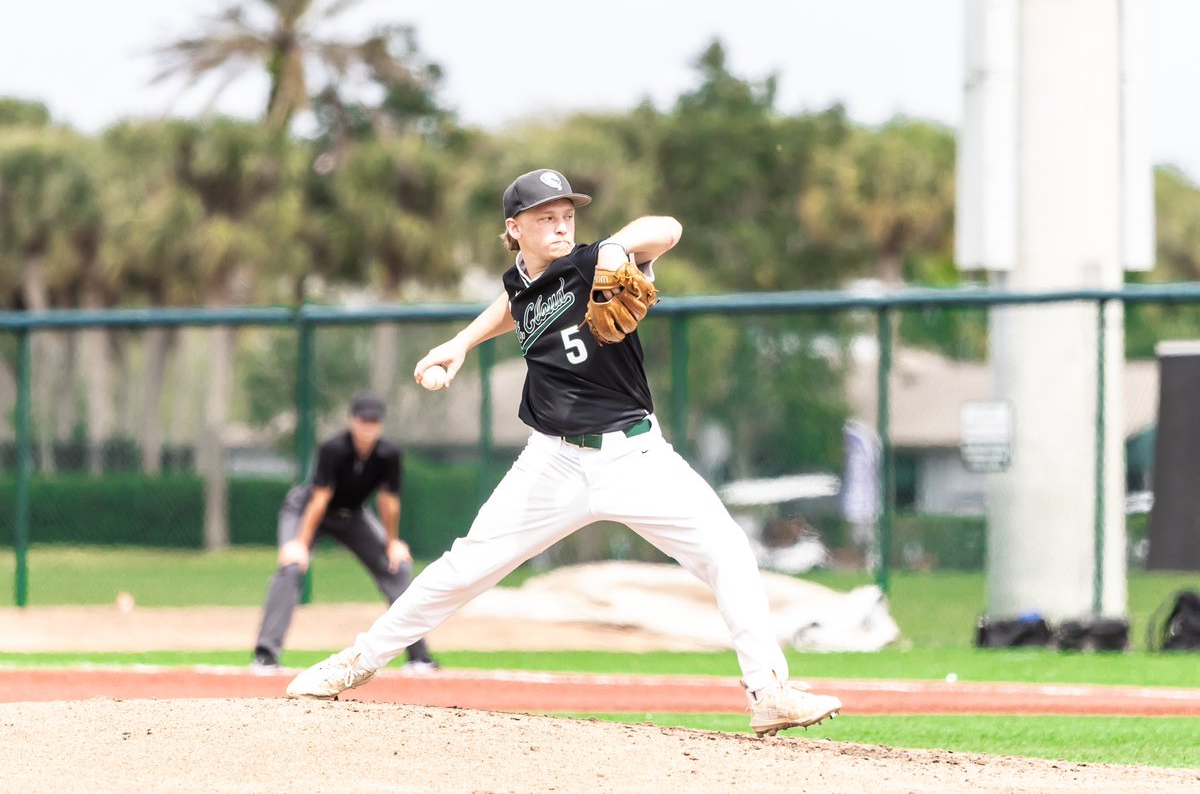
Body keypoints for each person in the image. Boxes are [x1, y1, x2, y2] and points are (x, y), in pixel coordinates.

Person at [286, 169, 841, 736]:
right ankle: (355, 663)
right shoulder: (522, 281)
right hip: (551, 462)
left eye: (566, 215)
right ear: (514, 228)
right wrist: (459, 344)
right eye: (545, 217)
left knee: (727, 551)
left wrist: (619, 248)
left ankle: (768, 692)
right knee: (462, 569)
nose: (560, 225)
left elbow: (667, 228)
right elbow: (514, 303)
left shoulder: (593, 261)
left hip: (635, 456)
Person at [251, 392, 437, 674]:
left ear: (380, 424)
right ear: (352, 421)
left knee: (397, 566)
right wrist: (300, 544)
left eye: (374, 421)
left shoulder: (388, 454)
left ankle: (419, 657)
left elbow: (388, 502)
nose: (368, 426)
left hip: (353, 515)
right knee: (291, 567)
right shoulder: (334, 449)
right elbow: (319, 499)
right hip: (306, 511)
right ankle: (266, 656)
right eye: (363, 420)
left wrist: (392, 542)